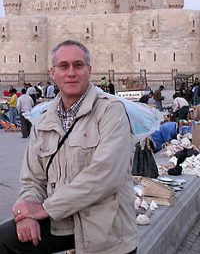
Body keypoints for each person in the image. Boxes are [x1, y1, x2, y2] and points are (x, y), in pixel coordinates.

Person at [0, 40, 139, 254]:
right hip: (62, 223)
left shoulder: (111, 112)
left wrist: (45, 208)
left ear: (89, 70)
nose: (71, 72)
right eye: (64, 66)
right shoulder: (44, 121)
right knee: (6, 240)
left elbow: (105, 175)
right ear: (53, 73)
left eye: (78, 65)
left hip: (105, 228)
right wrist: (26, 213)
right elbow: (32, 179)